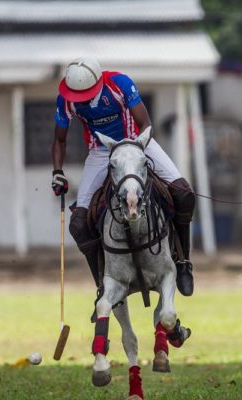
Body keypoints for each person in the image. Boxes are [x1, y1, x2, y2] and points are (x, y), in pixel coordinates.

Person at [51, 56, 195, 298]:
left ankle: (183, 262)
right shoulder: (67, 99)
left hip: (137, 143)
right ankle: (102, 283)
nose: (82, 101)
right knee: (78, 223)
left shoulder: (119, 84)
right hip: (100, 152)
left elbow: (145, 123)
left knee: (184, 193)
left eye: (86, 94)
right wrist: (57, 172)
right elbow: (60, 139)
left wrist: (134, 151)